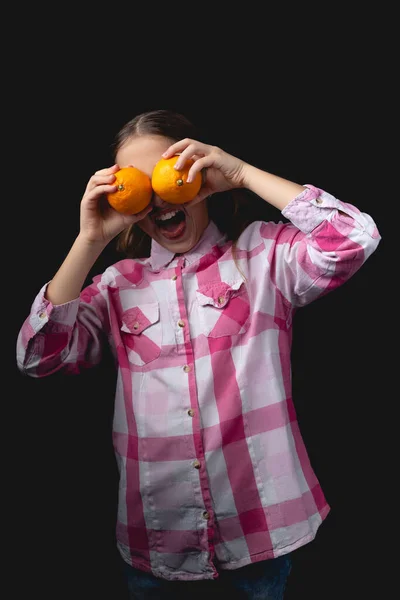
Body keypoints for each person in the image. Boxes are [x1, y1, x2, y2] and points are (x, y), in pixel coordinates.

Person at [16, 109, 381, 599]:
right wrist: (89, 240)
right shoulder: (117, 285)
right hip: (156, 544)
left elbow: (354, 238)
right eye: (138, 185)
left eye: (169, 174)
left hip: (263, 537)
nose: (159, 196)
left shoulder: (261, 256)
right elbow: (39, 356)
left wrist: (241, 174)